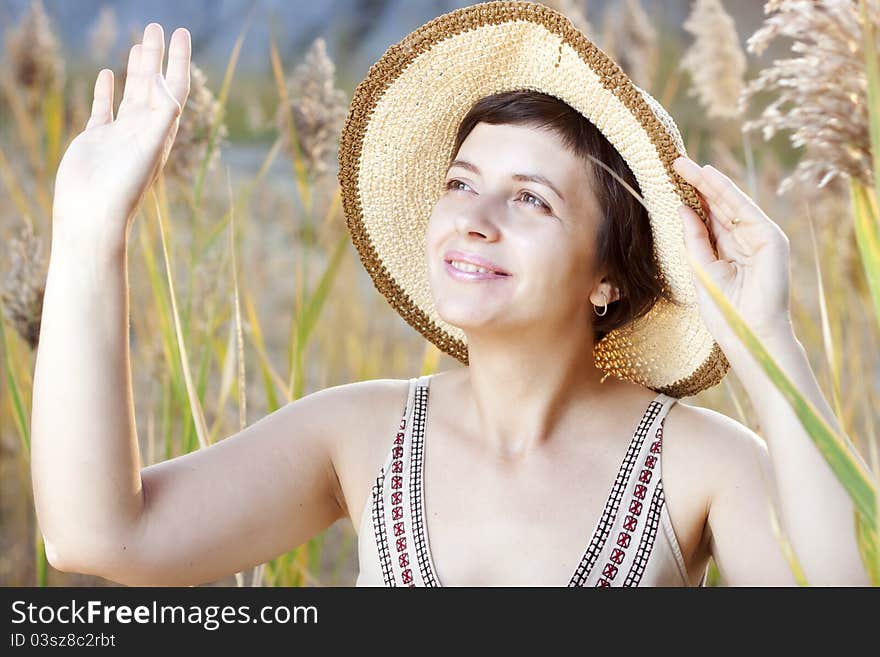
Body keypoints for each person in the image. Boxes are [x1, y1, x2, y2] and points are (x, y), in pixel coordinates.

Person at [31, 2, 871, 587]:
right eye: (462, 182)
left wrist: (768, 336)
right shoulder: (358, 434)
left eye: (532, 199)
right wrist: (89, 233)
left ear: (608, 275)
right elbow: (98, 535)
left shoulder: (699, 461)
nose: (474, 219)